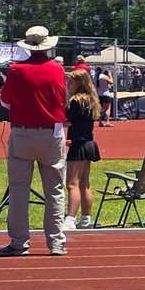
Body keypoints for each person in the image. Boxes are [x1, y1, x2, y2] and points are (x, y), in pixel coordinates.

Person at [0, 26, 69, 257]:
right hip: (52, 133)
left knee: (19, 190)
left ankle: (19, 243)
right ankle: (56, 242)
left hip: (23, 133)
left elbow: (6, 102)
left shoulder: (16, 70)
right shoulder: (57, 69)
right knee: (55, 190)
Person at [63, 68, 101, 230]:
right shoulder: (91, 100)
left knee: (72, 184)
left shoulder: (76, 101)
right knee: (84, 184)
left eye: (71, 81)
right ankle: (85, 218)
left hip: (79, 144)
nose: (68, 84)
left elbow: (65, 118)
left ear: (79, 83)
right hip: (89, 143)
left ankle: (70, 219)